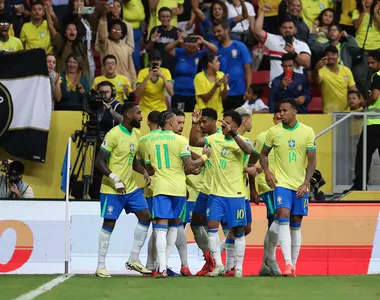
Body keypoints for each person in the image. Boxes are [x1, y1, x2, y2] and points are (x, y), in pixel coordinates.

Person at [144, 111, 210, 278]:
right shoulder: (181, 140)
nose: (179, 125)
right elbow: (189, 165)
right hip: (178, 189)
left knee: (160, 227)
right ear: (171, 123)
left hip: (160, 187)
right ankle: (164, 264)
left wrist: (163, 170)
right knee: (175, 225)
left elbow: (149, 168)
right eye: (177, 122)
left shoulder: (150, 141)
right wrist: (204, 157)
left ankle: (161, 268)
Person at [260, 98, 317, 277]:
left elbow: (312, 160)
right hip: (281, 184)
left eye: (285, 111)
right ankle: (288, 264)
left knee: (296, 224)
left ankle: (294, 265)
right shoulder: (273, 132)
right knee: (283, 215)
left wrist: (306, 183)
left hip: (300, 184)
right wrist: (268, 172)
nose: (281, 114)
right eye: (279, 111)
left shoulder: (307, 131)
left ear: (294, 111)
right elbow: (263, 154)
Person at [94, 102, 152, 278]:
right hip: (112, 189)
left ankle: (134, 259)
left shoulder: (135, 133)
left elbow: (132, 159)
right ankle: (100, 266)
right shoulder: (113, 134)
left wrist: (143, 171)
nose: (142, 116)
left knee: (146, 217)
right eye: (138, 113)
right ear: (128, 115)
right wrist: (115, 179)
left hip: (131, 188)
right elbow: (99, 161)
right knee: (109, 223)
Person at [205, 110, 252, 278]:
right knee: (211, 226)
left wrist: (233, 133)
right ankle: (218, 264)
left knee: (239, 230)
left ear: (236, 126)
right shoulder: (215, 139)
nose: (223, 125)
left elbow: (248, 151)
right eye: (222, 122)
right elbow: (193, 140)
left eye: (227, 122)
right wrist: (196, 123)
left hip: (236, 194)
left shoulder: (244, 141)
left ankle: (238, 268)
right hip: (216, 193)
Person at [221, 107, 257, 277]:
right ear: (244, 121)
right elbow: (227, 166)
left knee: (245, 228)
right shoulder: (225, 140)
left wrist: (252, 183)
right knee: (237, 228)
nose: (251, 123)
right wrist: (247, 169)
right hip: (230, 192)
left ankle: (226, 257)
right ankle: (231, 266)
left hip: (243, 192)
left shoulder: (246, 141)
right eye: (250, 119)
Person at [251, 110, 282, 276]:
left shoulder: (290, 138)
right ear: (273, 119)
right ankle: (271, 259)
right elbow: (252, 162)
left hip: (285, 185)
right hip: (268, 185)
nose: (279, 121)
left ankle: (265, 264)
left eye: (281, 118)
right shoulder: (263, 137)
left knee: (276, 224)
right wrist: (253, 188)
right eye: (277, 118)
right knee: (276, 221)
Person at [189, 108, 219, 276]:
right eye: (200, 122)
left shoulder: (222, 136)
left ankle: (228, 263)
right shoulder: (208, 140)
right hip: (206, 188)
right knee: (196, 223)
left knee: (225, 227)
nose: (202, 125)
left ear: (215, 121)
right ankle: (210, 260)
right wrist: (194, 122)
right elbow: (193, 140)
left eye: (204, 121)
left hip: (221, 190)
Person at [345, 50, 380, 193]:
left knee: (362, 155)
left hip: (374, 123)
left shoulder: (377, 76)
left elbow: (375, 95)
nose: (370, 65)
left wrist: (366, 104)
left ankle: (360, 185)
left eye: (372, 62)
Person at [254, 4, 311, 83]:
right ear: (280, 30)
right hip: (276, 86)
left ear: (295, 30)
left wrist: (294, 54)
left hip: (295, 87)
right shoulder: (273, 40)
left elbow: (307, 63)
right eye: (284, 28)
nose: (287, 30)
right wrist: (263, 11)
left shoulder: (302, 45)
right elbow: (257, 31)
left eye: (290, 28)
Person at [165, 32, 217, 112]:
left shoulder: (201, 54)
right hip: (178, 93)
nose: (191, 44)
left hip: (194, 94)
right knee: (178, 117)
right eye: (189, 40)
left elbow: (215, 50)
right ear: (185, 43)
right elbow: (167, 49)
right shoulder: (180, 52)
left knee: (192, 119)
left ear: (198, 44)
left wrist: (203, 41)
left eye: (194, 41)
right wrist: (178, 41)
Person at [138, 110, 161, 276]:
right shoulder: (170, 137)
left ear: (148, 122)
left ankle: (149, 264)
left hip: (150, 187)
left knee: (153, 227)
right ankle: (160, 264)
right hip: (168, 188)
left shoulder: (143, 140)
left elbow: (140, 163)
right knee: (163, 228)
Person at [213, 19, 252, 111]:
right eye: (214, 32)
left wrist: (248, 88)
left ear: (227, 30)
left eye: (219, 31)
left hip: (239, 91)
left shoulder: (240, 46)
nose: (216, 34)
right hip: (222, 93)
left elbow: (248, 68)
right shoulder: (215, 49)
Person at [98, 3, 136, 90]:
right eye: (113, 29)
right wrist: (104, 18)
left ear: (122, 33)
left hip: (124, 83)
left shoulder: (126, 47)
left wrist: (133, 84)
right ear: (109, 31)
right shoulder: (106, 43)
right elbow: (102, 35)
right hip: (108, 84)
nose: (116, 32)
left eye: (119, 30)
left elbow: (131, 68)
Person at [314, 45, 357, 113]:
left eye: (333, 54)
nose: (331, 57)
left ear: (338, 56)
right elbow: (316, 81)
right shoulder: (321, 70)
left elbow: (353, 90)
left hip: (346, 112)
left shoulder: (346, 70)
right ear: (324, 57)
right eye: (328, 55)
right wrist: (316, 69)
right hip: (329, 112)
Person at [351, 0, 380, 99]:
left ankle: (371, 99)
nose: (367, 0)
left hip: (377, 48)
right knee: (359, 77)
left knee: (374, 77)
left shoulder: (378, 11)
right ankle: (364, 99)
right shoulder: (357, 11)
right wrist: (363, 12)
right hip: (361, 49)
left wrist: (376, 13)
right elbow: (356, 26)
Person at [146, 7, 180, 75]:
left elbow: (181, 52)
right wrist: (152, 41)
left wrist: (181, 40)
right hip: (157, 66)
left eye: (167, 16)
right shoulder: (155, 30)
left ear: (171, 17)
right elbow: (148, 50)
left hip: (172, 67)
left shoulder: (177, 32)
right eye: (162, 17)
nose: (165, 19)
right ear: (159, 18)